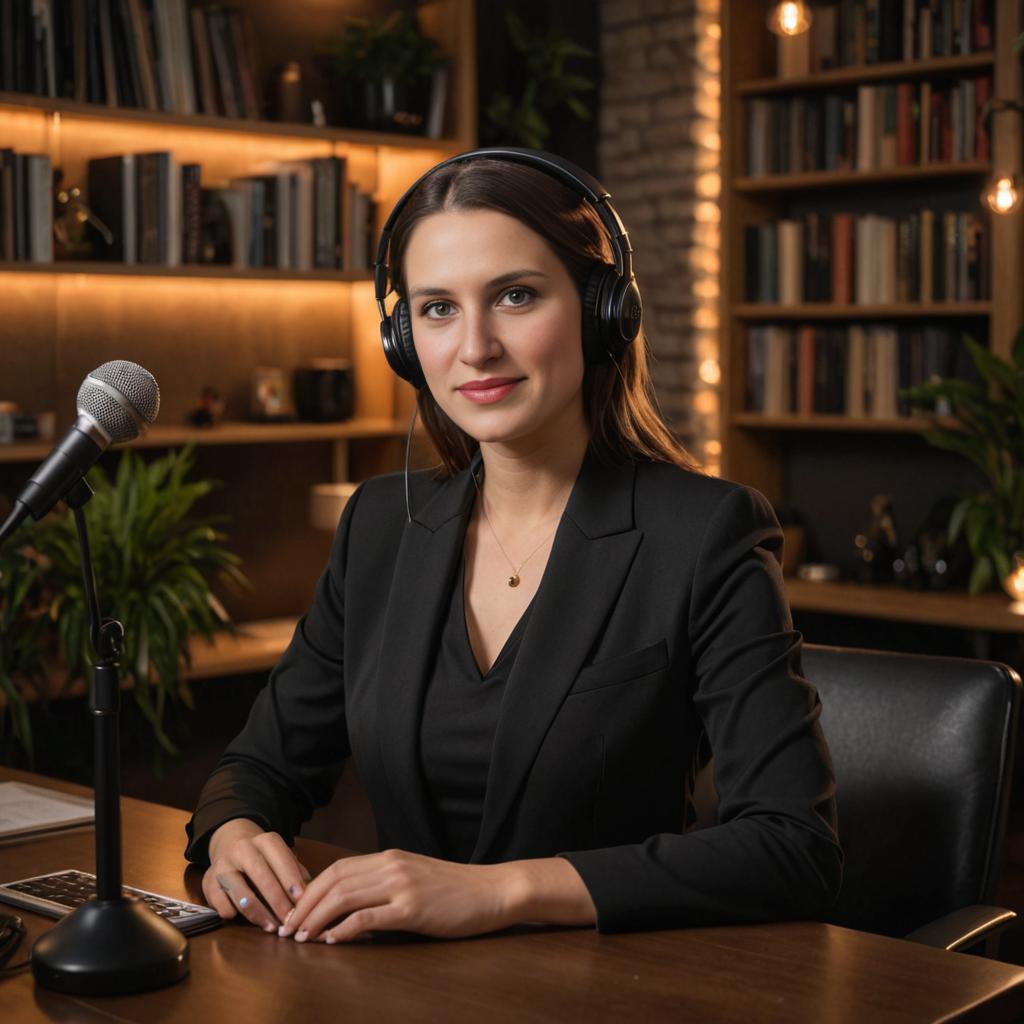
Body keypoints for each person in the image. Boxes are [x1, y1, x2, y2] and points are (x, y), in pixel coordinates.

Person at [184, 148, 842, 945]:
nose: (476, 347)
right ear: (402, 340)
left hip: (606, 992)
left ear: (603, 311)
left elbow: (792, 848)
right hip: (397, 991)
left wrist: (498, 892)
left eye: (516, 296)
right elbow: (258, 766)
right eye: (436, 309)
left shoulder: (705, 533)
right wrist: (234, 835)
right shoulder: (380, 526)